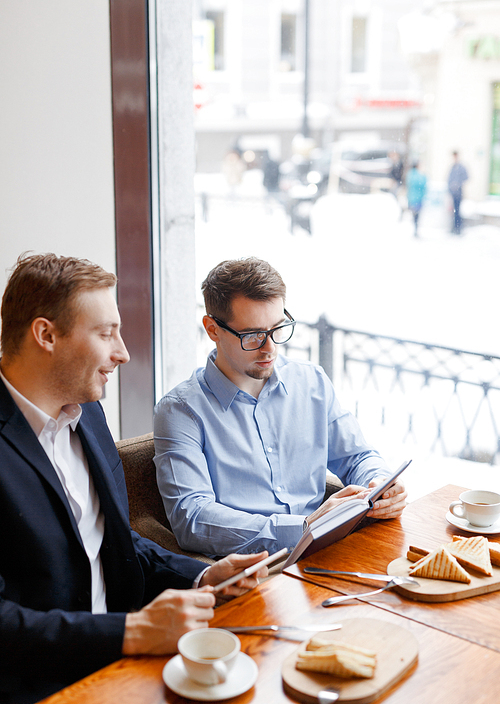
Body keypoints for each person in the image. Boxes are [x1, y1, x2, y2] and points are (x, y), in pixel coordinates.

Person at [0, 252, 268, 704]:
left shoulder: (86, 414)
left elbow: (114, 543)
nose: (122, 353)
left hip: (126, 666)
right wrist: (133, 631)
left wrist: (203, 577)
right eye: (106, 333)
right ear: (46, 334)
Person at [154, 258, 407, 559]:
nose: (270, 347)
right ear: (212, 329)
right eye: (252, 335)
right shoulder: (181, 412)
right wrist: (303, 527)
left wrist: (379, 484)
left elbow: (357, 457)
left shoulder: (310, 381)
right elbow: (192, 519)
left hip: (330, 549)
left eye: (277, 329)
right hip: (255, 570)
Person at [448, 151, 468, 235]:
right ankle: (454, 227)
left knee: (458, 210)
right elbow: (448, 179)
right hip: (453, 193)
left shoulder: (461, 167)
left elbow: (466, 177)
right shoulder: (453, 167)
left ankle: (458, 228)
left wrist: (458, 184)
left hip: (459, 193)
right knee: (453, 210)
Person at [406, 161, 427, 237]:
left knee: (414, 214)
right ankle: (416, 229)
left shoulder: (409, 175)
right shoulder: (419, 175)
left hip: (411, 198)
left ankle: (415, 228)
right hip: (418, 198)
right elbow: (423, 184)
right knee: (417, 215)